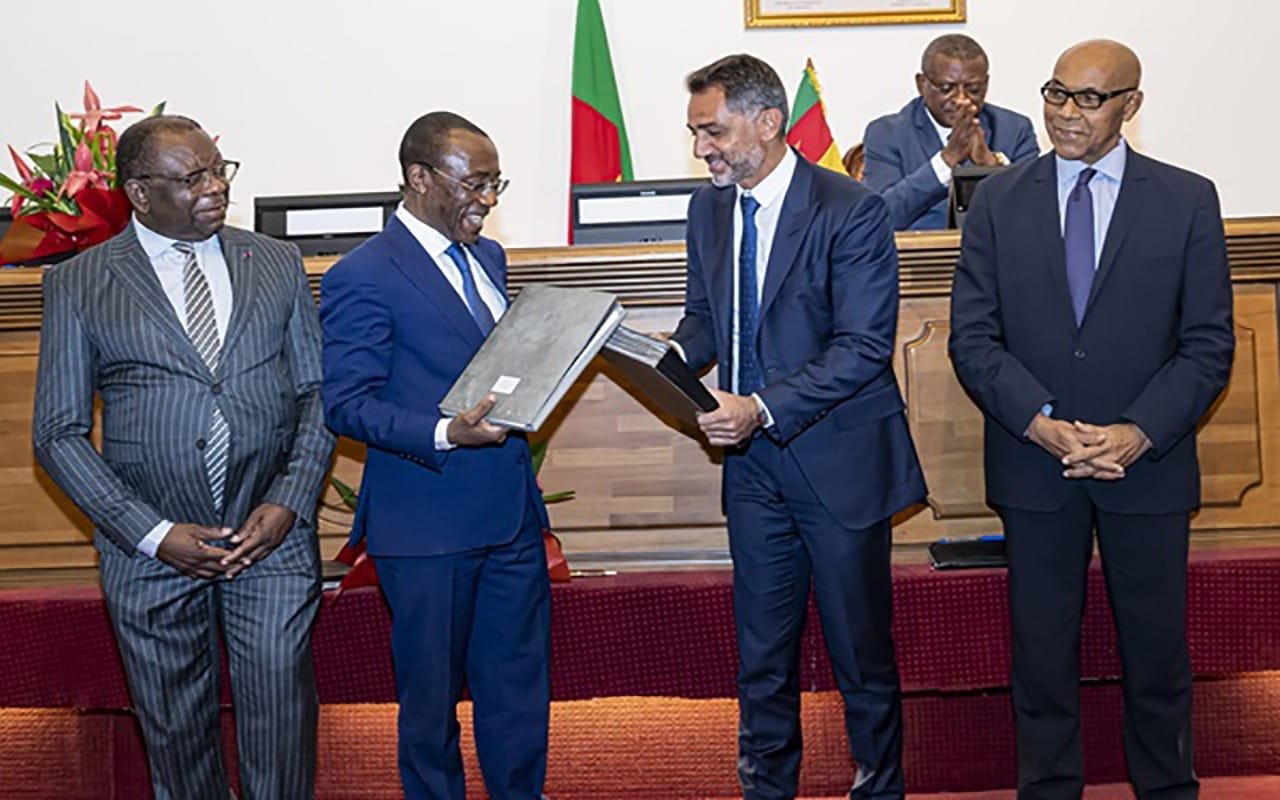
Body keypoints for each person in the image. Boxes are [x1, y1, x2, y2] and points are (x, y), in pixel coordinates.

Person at [948, 40, 1234, 800]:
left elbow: (1208, 344)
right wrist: (1038, 421)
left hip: (1148, 467)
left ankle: (1166, 788)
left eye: (1089, 99)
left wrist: (1139, 431)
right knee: (1041, 656)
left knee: (1157, 655)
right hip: (1034, 463)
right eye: (1056, 93)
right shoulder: (998, 200)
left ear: (1130, 106)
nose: (1066, 113)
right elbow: (972, 338)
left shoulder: (1185, 199)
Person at [32, 115, 335, 800]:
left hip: (270, 538)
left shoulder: (276, 261)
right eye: (192, 178)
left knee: (283, 728)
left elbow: (318, 395)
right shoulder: (80, 283)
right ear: (139, 193)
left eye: (218, 170)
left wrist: (289, 502)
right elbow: (57, 433)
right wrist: (152, 533)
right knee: (177, 742)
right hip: (151, 551)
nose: (215, 188)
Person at [672, 54, 927, 800]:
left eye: (713, 131)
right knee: (761, 658)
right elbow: (704, 321)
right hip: (752, 471)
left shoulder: (851, 208)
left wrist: (760, 407)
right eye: (695, 133)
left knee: (860, 656)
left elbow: (863, 349)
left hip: (839, 464)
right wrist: (665, 355)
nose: (702, 149)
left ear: (768, 122)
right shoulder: (707, 210)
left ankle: (878, 789)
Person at [320, 112, 551, 800]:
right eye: (474, 183)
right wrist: (447, 432)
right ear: (419, 178)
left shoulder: (489, 258)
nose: (488, 199)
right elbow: (347, 404)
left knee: (517, 696)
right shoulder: (363, 274)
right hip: (426, 527)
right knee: (430, 709)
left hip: (509, 517)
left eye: (495, 183)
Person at [862, 34, 1039, 231]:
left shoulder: (1015, 130)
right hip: (922, 250)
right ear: (921, 84)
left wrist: (989, 165)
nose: (961, 99)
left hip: (995, 249)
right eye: (947, 88)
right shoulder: (887, 134)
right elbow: (881, 217)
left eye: (974, 89)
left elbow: (1035, 212)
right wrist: (946, 160)